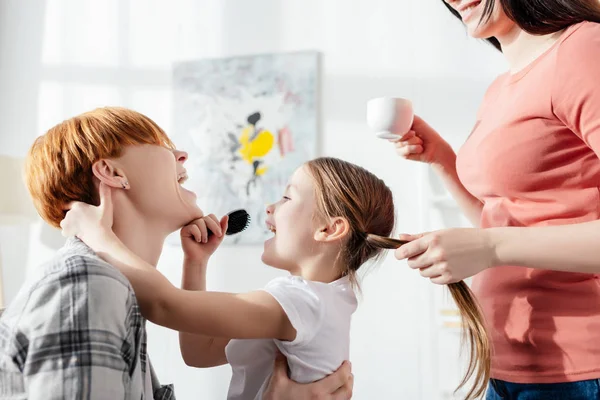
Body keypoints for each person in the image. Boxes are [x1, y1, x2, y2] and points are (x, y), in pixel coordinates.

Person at [0, 107, 351, 399]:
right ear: (111, 172)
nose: (182, 155)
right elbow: (172, 313)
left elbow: (192, 339)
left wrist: (194, 265)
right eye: (157, 145)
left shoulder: (114, 288)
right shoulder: (87, 283)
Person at [392, 1, 600, 398]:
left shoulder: (585, 50)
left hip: (580, 369)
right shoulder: (501, 86)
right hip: (509, 362)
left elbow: (498, 242)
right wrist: (441, 159)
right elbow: (507, 222)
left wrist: (489, 247)